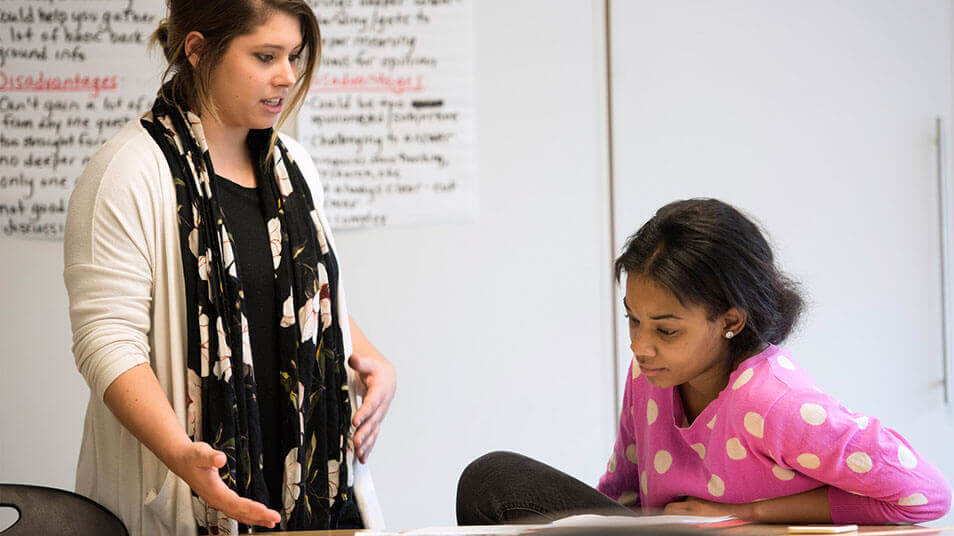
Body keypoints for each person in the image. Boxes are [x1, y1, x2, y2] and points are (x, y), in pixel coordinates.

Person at [63, 1, 396, 534]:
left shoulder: (292, 166)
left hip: (311, 505)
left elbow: (296, 298)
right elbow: (106, 340)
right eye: (265, 56)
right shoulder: (126, 173)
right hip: (189, 501)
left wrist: (368, 355)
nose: (287, 76)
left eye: (293, 55)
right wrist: (182, 456)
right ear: (197, 50)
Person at [457, 198, 951, 526]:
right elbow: (622, 496)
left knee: (494, 478)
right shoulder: (648, 378)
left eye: (666, 330)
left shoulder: (774, 401)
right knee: (493, 483)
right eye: (633, 320)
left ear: (730, 321)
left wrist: (752, 514)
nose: (641, 346)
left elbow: (925, 494)